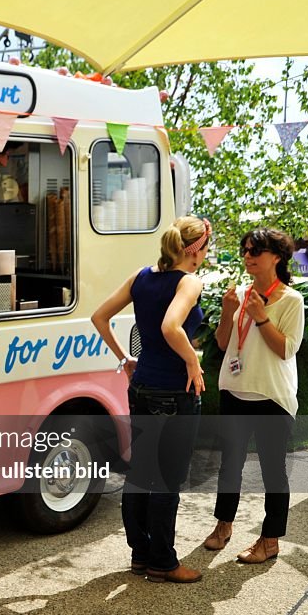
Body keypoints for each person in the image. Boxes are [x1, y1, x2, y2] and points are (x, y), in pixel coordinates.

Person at [91, 216, 211, 583]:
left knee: (141, 474)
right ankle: (163, 562)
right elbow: (170, 327)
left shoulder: (141, 277)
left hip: (141, 387)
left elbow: (99, 317)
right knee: (167, 480)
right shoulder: (189, 281)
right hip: (174, 392)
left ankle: (141, 556)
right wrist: (192, 360)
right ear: (197, 250)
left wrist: (125, 359)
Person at [203, 227, 304, 564]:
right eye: (245, 250)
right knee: (229, 465)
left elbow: (286, 350)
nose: (247, 256)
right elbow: (222, 343)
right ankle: (224, 525)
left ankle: (270, 539)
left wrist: (262, 318)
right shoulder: (242, 294)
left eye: (255, 251)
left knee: (272, 471)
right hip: (235, 391)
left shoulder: (291, 300)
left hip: (272, 397)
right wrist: (225, 312)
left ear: (277, 257)